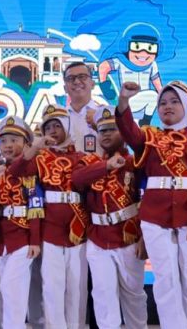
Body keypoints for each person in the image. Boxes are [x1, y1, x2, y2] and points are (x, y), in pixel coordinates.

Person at [115, 80, 187, 329]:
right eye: (162, 103)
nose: (167, 106)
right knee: (165, 280)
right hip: (154, 217)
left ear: (186, 105)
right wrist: (124, 101)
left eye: (174, 101)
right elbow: (129, 131)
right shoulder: (149, 138)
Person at [8, 104, 88, 329]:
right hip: (50, 228)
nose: (53, 130)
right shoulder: (40, 158)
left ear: (68, 126)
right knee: (52, 287)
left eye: (57, 125)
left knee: (77, 286)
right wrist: (35, 146)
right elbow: (14, 172)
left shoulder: (83, 157)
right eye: (48, 127)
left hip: (78, 227)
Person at [72, 106, 148, 329]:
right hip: (98, 239)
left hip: (128, 236)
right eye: (102, 130)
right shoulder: (89, 162)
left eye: (112, 129)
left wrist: (145, 237)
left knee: (134, 296)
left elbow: (147, 200)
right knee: (103, 296)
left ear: (123, 132)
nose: (106, 134)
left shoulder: (135, 162)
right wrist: (105, 166)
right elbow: (77, 179)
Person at [0, 116, 42, 329]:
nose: (7, 145)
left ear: (26, 144)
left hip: (22, 237)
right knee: (8, 292)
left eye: (14, 140)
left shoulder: (30, 170)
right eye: (4, 140)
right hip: (2, 239)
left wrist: (34, 240)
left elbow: (36, 206)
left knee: (11, 286)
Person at [63, 62, 101, 156]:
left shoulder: (105, 115)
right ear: (65, 88)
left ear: (92, 84)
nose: (76, 82)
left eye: (82, 77)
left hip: (101, 164)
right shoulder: (59, 119)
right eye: (70, 78)